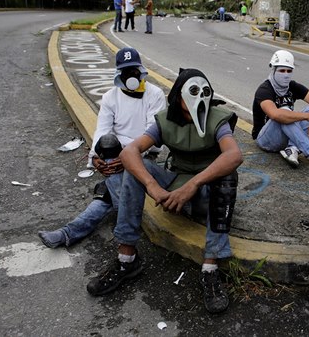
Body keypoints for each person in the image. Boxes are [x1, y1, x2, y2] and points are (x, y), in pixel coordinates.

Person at [86, 68, 243, 315]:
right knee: (136, 168)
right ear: (178, 97)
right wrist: (153, 186)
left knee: (227, 175)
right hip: (174, 186)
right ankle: (127, 259)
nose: (199, 98)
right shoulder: (164, 121)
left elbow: (234, 155)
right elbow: (129, 152)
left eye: (204, 92)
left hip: (205, 194)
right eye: (192, 92)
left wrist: (193, 185)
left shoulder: (218, 119)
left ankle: (211, 267)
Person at [37, 47, 165, 248]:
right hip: (114, 157)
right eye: (126, 71)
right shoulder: (110, 97)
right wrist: (95, 157)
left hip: (143, 157)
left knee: (105, 194)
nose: (131, 75)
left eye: (134, 70)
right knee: (106, 143)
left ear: (140, 71)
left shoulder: (155, 94)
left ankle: (68, 233)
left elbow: (153, 135)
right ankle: (73, 230)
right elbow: (102, 131)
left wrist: (127, 158)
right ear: (118, 73)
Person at [252, 50, 309, 167]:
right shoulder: (264, 89)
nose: (286, 74)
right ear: (273, 70)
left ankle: (292, 148)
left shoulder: (292, 86)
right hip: (265, 140)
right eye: (282, 70)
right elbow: (275, 115)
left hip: (285, 137)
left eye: (289, 71)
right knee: (285, 113)